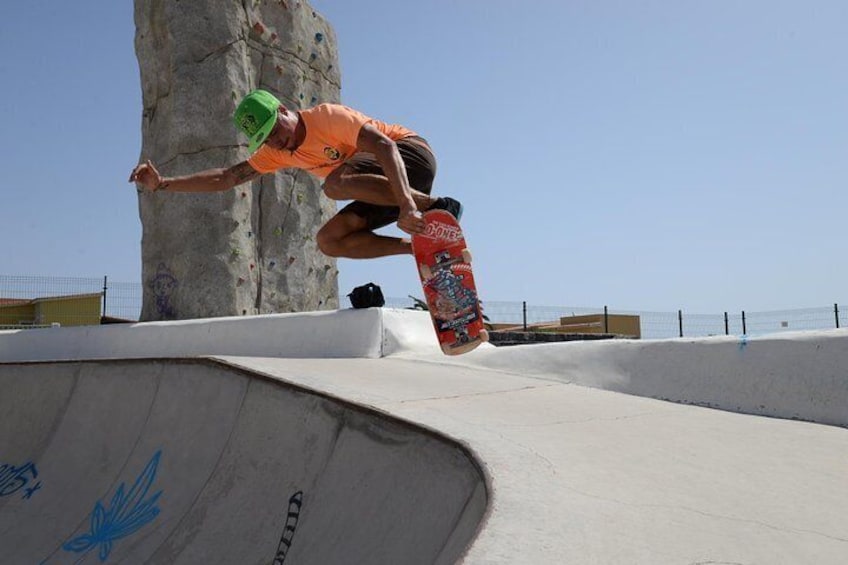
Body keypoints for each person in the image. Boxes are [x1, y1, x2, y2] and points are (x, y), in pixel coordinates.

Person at [129, 89, 462, 259]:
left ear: (284, 110)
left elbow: (385, 147)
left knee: (334, 185)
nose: (278, 142)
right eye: (267, 139)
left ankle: (439, 205)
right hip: (381, 187)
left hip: (410, 155)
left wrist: (408, 204)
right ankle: (420, 247)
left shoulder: (328, 117)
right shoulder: (277, 153)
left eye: (276, 130)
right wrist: (163, 184)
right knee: (328, 241)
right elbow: (226, 177)